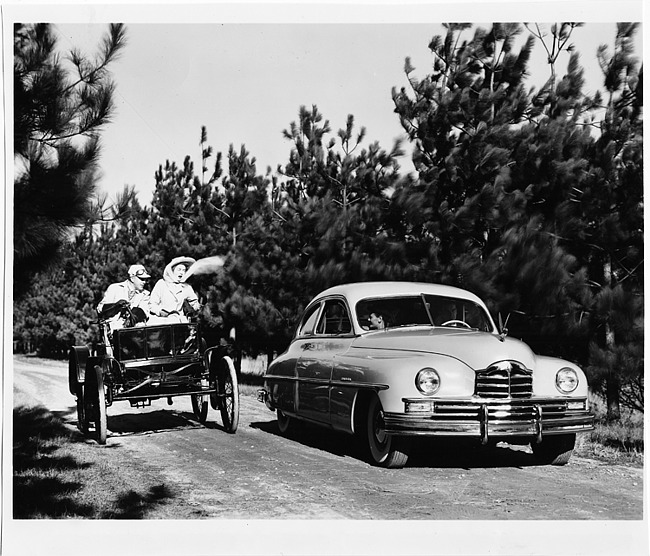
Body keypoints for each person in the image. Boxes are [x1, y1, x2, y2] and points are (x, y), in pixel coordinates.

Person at [97, 264, 151, 331]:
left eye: (146, 280)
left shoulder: (145, 294)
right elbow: (101, 309)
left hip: (134, 330)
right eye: (141, 279)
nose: (144, 282)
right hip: (113, 328)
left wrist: (132, 317)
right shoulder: (115, 288)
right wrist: (116, 305)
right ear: (132, 278)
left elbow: (144, 311)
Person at [149, 256, 201, 323]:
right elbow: (152, 304)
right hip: (162, 321)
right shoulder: (161, 284)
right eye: (179, 270)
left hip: (179, 322)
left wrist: (199, 307)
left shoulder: (186, 287)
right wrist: (160, 312)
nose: (181, 273)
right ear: (172, 271)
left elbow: (195, 304)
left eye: (184, 270)